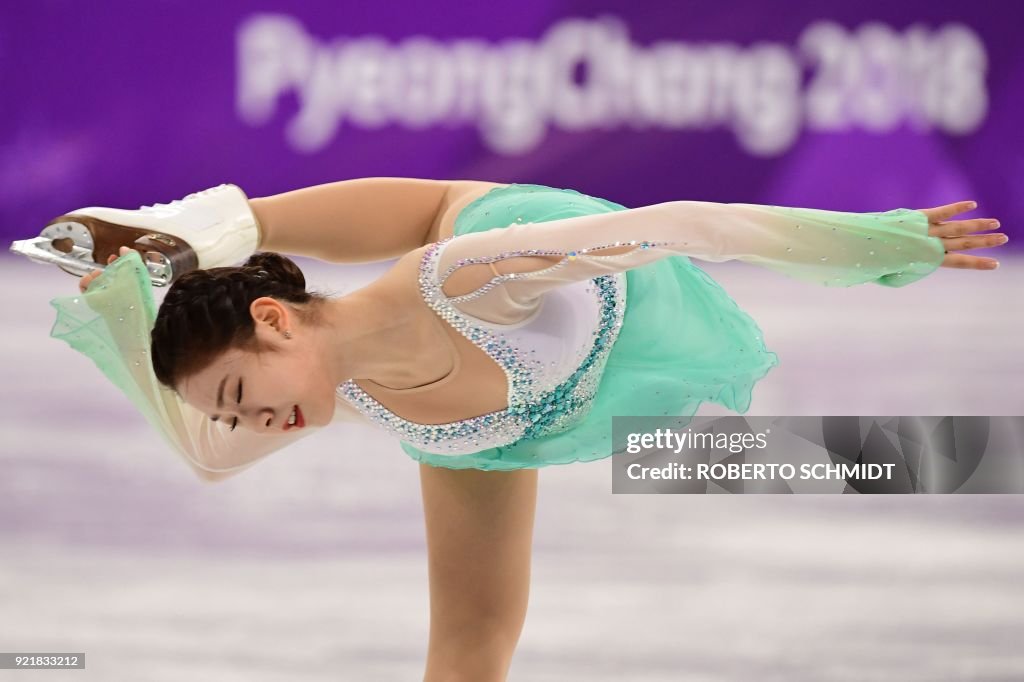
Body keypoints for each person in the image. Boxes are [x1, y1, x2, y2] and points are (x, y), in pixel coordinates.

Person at [41, 178, 1005, 680]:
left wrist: (875, 244)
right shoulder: (334, 391)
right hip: (493, 423)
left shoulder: (468, 277)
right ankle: (201, 240)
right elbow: (208, 457)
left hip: (552, 276)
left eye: (245, 395)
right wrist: (126, 319)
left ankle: (218, 229)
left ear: (276, 319)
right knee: (472, 642)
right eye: (237, 414)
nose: (257, 425)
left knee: (439, 214)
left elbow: (688, 224)